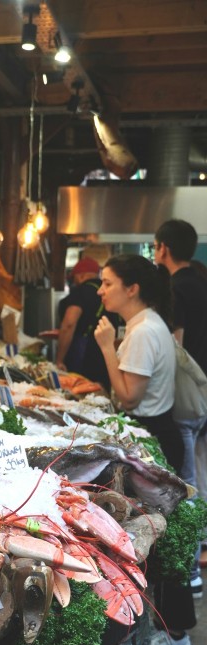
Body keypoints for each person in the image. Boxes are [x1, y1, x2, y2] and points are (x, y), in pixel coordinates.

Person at [94, 254, 195, 645]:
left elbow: (129, 396)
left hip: (152, 434)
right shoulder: (149, 323)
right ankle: (173, 632)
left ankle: (175, 636)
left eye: (107, 283)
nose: (100, 291)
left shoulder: (139, 331)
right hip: (160, 432)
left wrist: (106, 347)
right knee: (158, 536)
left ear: (131, 288)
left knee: (158, 538)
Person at [153, 219, 207, 598]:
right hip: (203, 393)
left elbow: (177, 347)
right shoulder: (203, 281)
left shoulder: (178, 287)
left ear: (163, 248)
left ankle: (191, 571)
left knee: (186, 482)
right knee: (200, 470)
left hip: (186, 399)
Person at [56, 257, 118, 389]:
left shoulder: (80, 292)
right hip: (107, 356)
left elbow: (69, 324)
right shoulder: (112, 295)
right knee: (100, 393)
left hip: (82, 357)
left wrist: (59, 359)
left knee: (78, 390)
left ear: (81, 275)